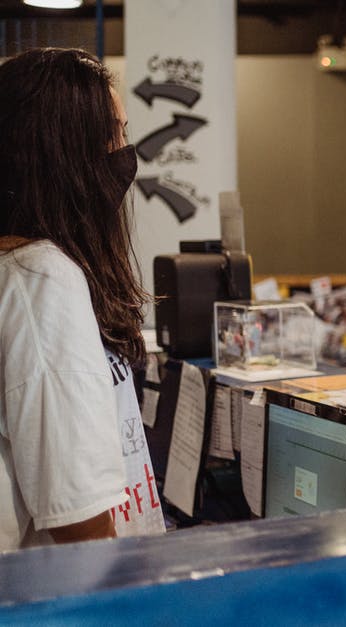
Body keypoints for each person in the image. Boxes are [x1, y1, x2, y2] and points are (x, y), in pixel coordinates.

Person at [0, 48, 165, 551]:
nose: (124, 152)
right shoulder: (40, 277)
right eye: (112, 134)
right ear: (64, 154)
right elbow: (80, 524)